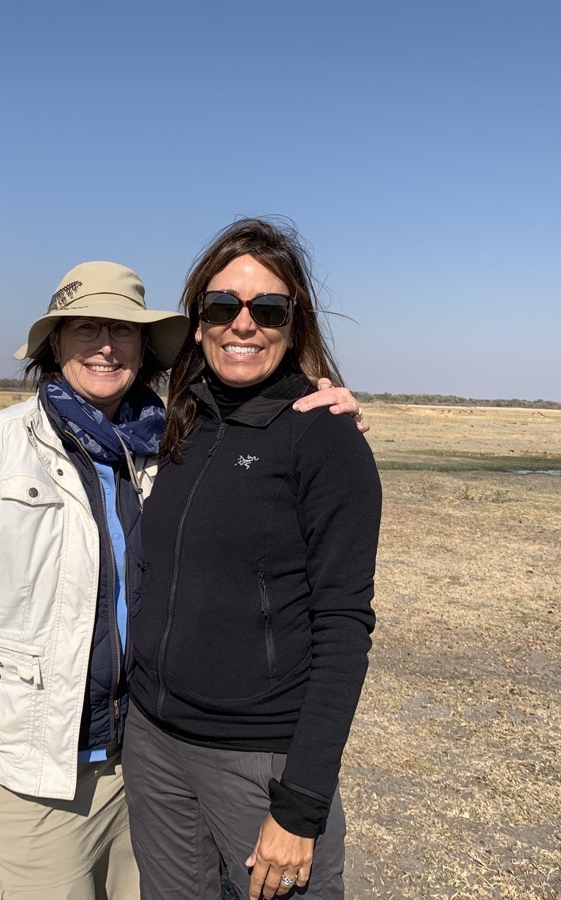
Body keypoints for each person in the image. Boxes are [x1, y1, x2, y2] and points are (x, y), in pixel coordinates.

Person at [0, 261, 367, 899]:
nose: (105, 346)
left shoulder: (165, 440)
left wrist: (331, 416)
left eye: (123, 330)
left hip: (140, 764)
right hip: (39, 766)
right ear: (54, 343)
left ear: (145, 347)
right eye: (86, 328)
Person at [124, 219, 383, 900]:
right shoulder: (180, 423)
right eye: (222, 306)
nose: (243, 324)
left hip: (257, 757)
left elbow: (344, 625)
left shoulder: (324, 438)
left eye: (268, 309)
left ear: (294, 325)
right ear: (198, 322)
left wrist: (300, 804)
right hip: (154, 742)